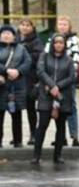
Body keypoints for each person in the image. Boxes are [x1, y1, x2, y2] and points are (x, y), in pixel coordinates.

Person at [31, 34, 76, 165]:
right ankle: (36, 155)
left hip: (62, 96)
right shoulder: (44, 57)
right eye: (56, 42)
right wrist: (51, 85)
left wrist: (57, 87)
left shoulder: (68, 60)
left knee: (61, 127)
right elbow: (40, 72)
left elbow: (71, 77)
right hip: (45, 95)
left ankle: (58, 155)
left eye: (61, 42)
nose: (58, 45)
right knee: (42, 125)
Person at [49, 15, 79, 147]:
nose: (62, 26)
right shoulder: (52, 39)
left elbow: (75, 61)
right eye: (60, 24)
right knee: (56, 107)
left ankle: (74, 136)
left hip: (68, 79)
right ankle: (60, 137)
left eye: (65, 24)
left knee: (71, 107)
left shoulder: (75, 40)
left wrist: (66, 77)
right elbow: (48, 57)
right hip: (54, 80)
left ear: (69, 26)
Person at [0, 25, 32, 149]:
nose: (6, 35)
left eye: (9, 33)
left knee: (17, 115)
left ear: (14, 36)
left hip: (16, 87)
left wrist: (18, 71)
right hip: (1, 86)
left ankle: (17, 141)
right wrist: (7, 71)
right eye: (3, 33)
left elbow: (28, 62)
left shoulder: (21, 48)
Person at [17, 18, 43, 147]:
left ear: (32, 27)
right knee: (15, 108)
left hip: (30, 78)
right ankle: (17, 136)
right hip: (16, 79)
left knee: (30, 108)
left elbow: (38, 58)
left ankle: (33, 134)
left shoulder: (36, 41)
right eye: (23, 25)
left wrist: (24, 52)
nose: (25, 27)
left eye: (28, 25)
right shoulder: (15, 39)